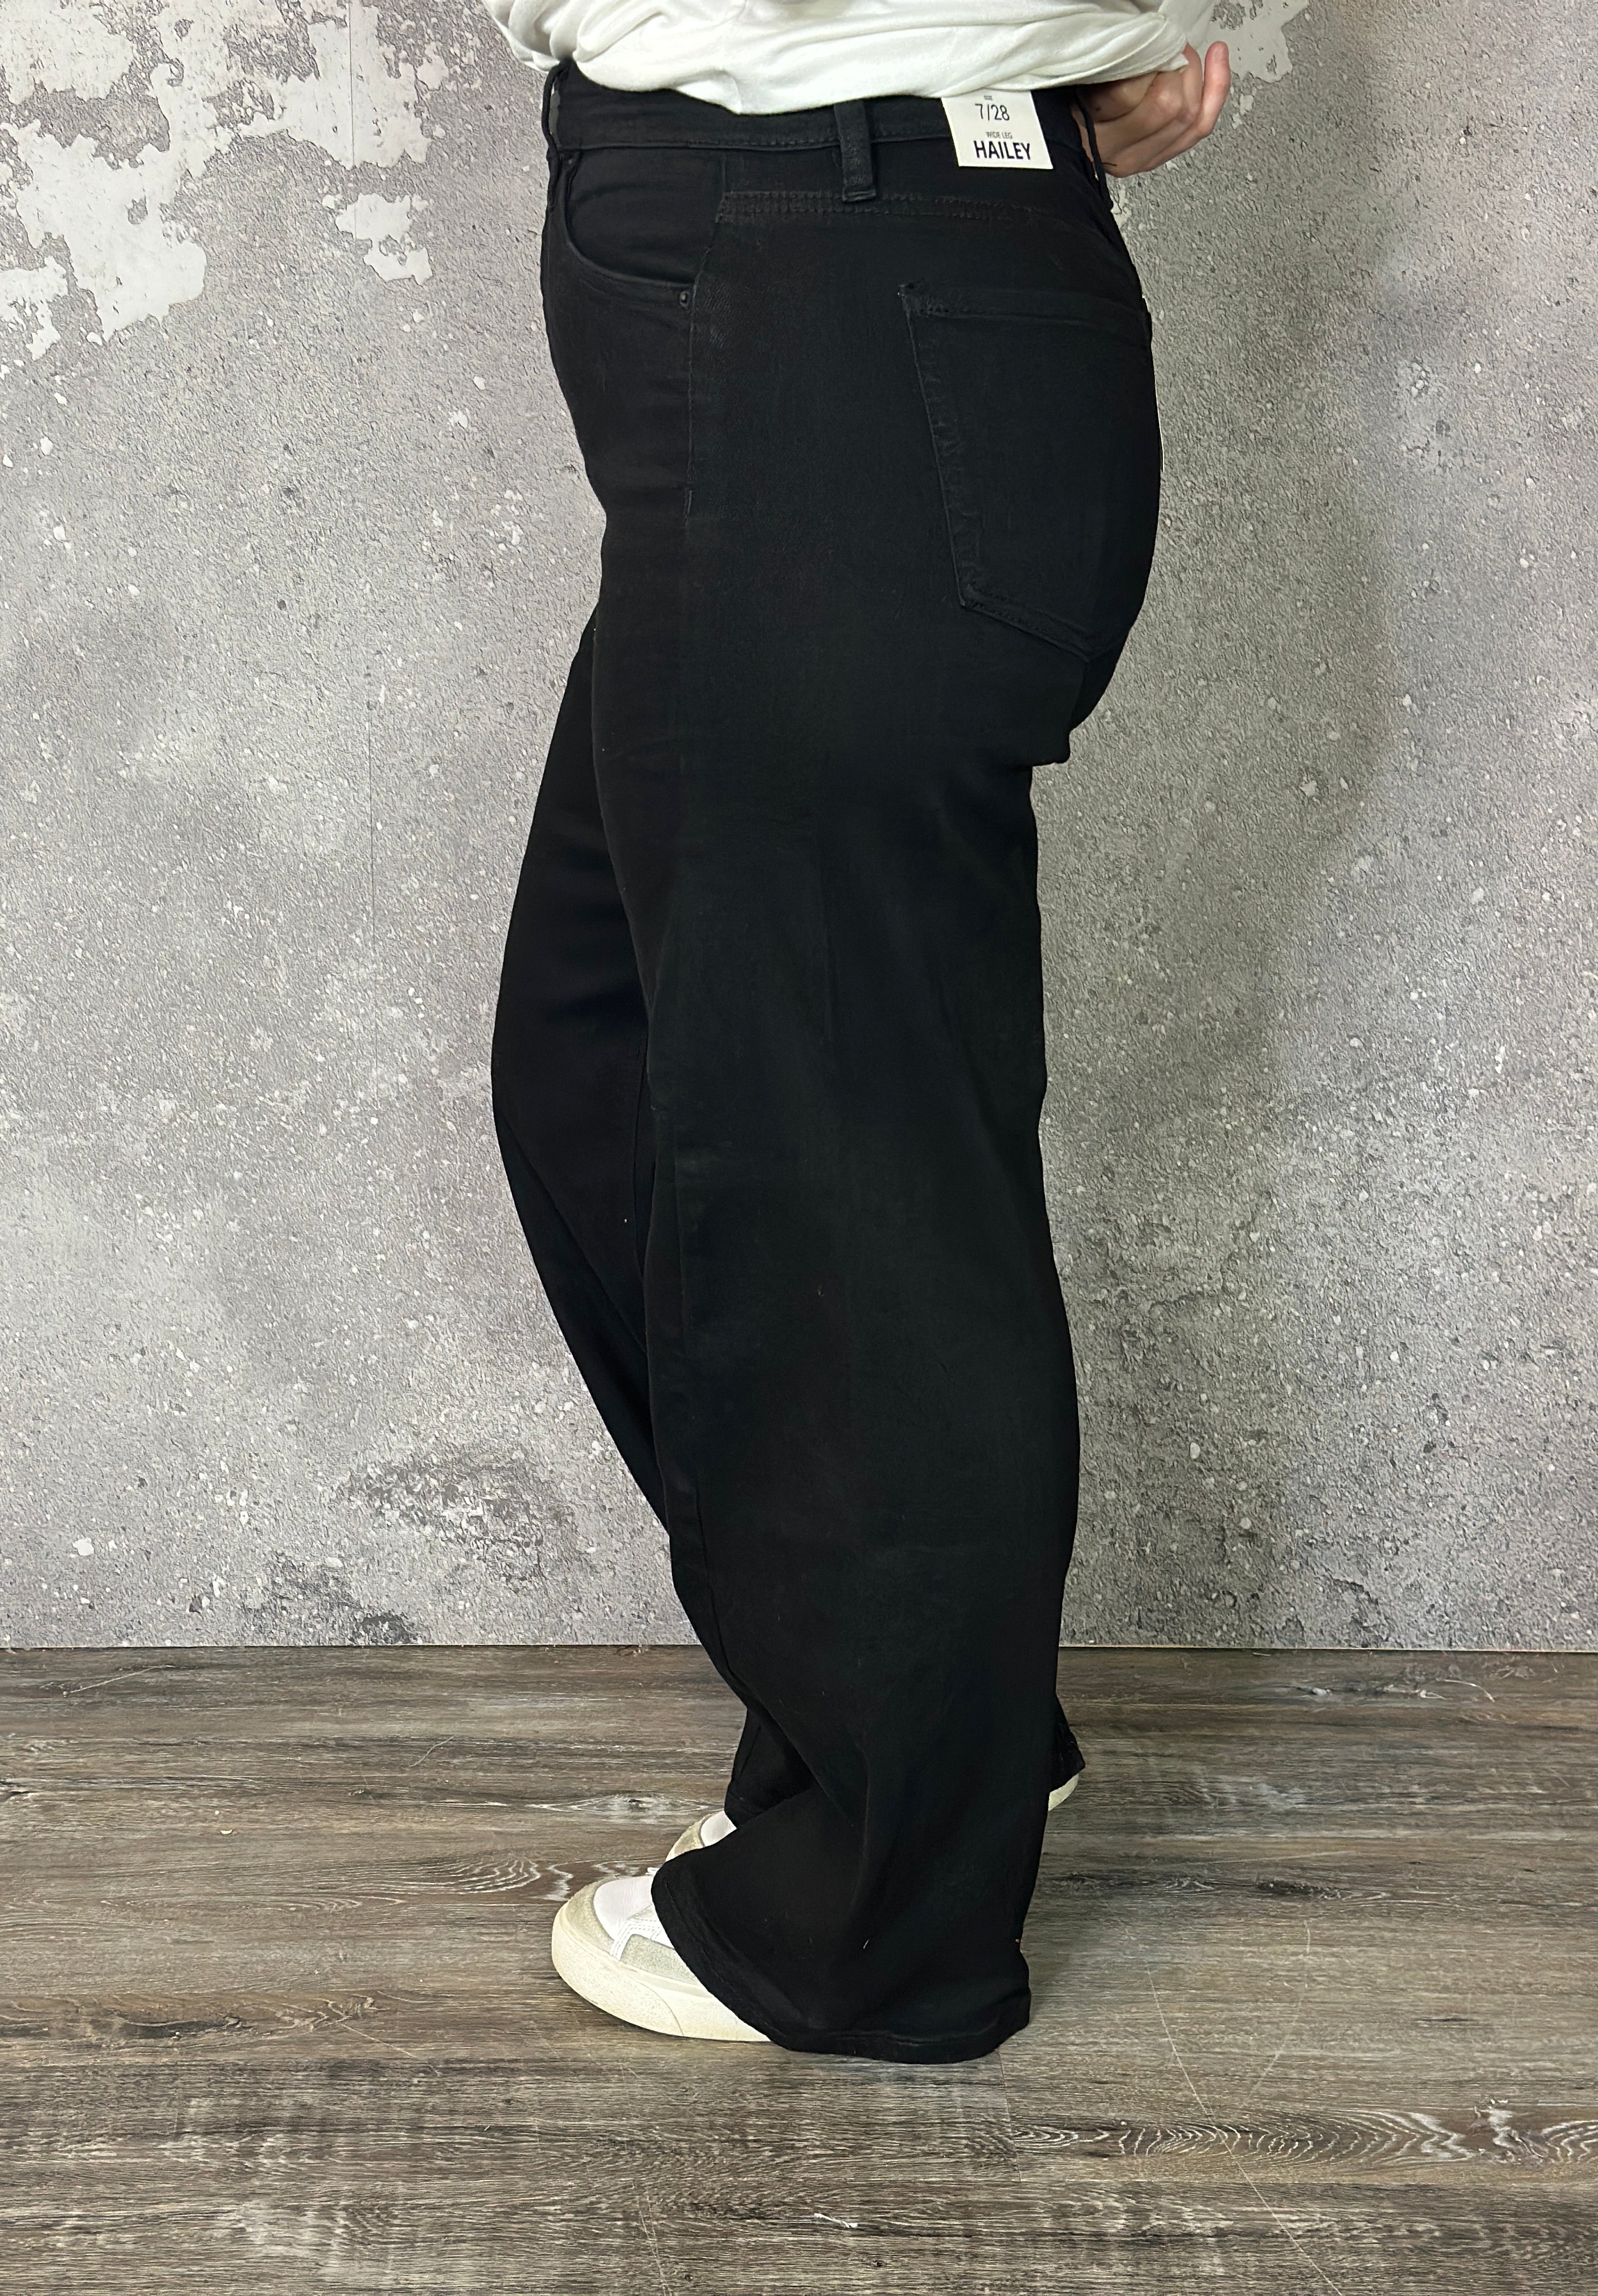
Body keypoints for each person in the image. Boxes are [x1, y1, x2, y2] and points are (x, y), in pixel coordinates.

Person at [484, 0, 1230, 2061]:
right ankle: (941, 1720)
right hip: (834, 269)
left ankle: (878, 1924)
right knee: (607, 1064)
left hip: (833, 275)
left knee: (841, 1161)